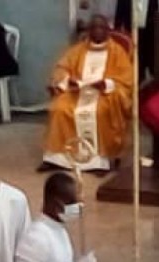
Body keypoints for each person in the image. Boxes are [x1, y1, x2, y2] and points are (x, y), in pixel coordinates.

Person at [40, 16, 134, 173]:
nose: (98, 31)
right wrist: (65, 81)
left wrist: (106, 84)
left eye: (101, 28)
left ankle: (99, 162)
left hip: (105, 94)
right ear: (89, 31)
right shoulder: (77, 50)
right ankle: (56, 159)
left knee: (100, 111)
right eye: (94, 28)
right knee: (59, 108)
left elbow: (126, 81)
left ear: (108, 31)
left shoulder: (118, 53)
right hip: (78, 92)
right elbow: (62, 68)